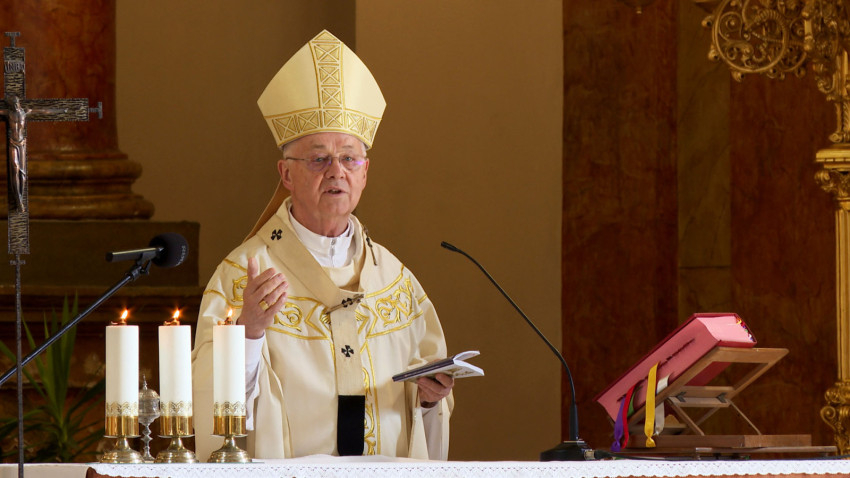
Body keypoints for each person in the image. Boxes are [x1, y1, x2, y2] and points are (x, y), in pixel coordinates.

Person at [191, 30, 454, 460]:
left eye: (349, 158)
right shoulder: (242, 277)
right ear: (286, 174)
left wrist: (428, 400)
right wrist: (248, 332)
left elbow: (429, 414)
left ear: (365, 174)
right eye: (318, 159)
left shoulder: (398, 282)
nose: (336, 171)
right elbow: (211, 411)